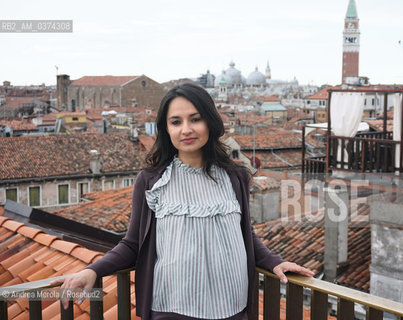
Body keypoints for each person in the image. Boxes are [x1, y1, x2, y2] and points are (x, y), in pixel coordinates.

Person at [53, 83, 314, 320]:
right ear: (166, 129)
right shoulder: (151, 181)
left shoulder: (236, 178)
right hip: (171, 307)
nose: (186, 129)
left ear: (210, 122)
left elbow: (243, 233)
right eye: (176, 122)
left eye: (195, 119)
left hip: (232, 306)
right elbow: (133, 244)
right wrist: (93, 271)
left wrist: (274, 262)